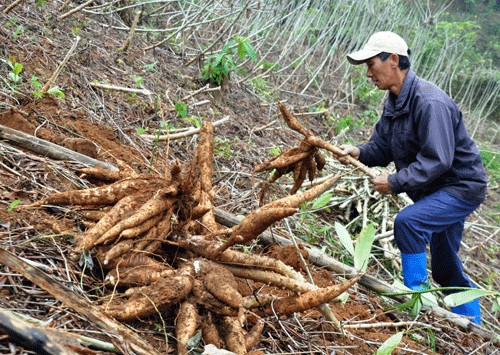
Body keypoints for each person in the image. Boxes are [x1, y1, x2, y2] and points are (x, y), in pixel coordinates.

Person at [340, 31, 487, 324]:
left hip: (459, 188)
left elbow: (438, 159)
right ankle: (473, 325)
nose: (368, 73)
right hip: (434, 191)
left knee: (408, 223)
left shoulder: (430, 102)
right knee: (446, 268)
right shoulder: (394, 103)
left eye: (371, 65)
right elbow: (382, 148)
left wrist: (394, 182)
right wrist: (357, 151)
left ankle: (415, 304)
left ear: (393, 60)